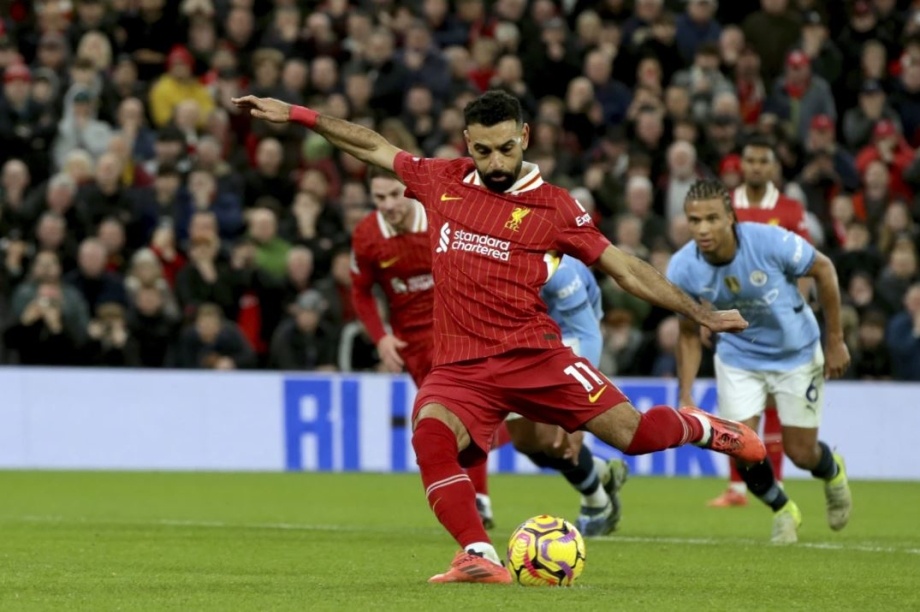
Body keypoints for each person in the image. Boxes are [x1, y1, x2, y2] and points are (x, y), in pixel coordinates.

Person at [233, 90, 765, 584]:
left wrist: (701, 313)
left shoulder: (555, 206)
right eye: (483, 150)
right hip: (461, 368)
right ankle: (478, 554)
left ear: (526, 138)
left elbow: (624, 267)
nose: (495, 163)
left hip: (535, 356)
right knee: (429, 435)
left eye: (506, 149)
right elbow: (371, 144)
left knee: (638, 436)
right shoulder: (441, 179)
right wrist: (299, 114)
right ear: (468, 143)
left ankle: (707, 429)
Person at [350, 169, 627, 537]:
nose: (387, 206)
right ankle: (600, 476)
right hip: (493, 335)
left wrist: (582, 407)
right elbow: (362, 290)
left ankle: (593, 501)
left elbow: (586, 331)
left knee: (549, 435)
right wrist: (382, 336)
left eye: (392, 196)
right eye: (378, 198)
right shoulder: (470, 248)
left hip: (567, 332)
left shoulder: (560, 271)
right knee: (528, 441)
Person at [668, 179, 853, 544]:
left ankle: (832, 473)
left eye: (711, 219)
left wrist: (835, 340)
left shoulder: (768, 241)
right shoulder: (683, 268)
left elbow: (825, 269)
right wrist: (686, 394)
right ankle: (783, 509)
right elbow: (688, 333)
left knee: (801, 453)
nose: (702, 229)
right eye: (694, 220)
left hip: (796, 353)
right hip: (739, 359)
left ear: (730, 218)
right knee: (741, 447)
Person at [707, 136, 814, 508]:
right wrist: (706, 312)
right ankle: (737, 489)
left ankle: (775, 483)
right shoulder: (722, 206)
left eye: (761, 161)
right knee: (738, 409)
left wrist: (797, 311)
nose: (754, 167)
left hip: (779, 321)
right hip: (734, 320)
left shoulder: (789, 209)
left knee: (775, 405)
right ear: (742, 164)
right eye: (749, 160)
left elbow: (805, 263)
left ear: (773, 167)